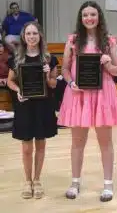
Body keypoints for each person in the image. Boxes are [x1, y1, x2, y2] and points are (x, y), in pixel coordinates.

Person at [57, 1, 117, 201]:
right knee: (77, 143)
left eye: (93, 14)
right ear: (81, 18)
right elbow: (64, 69)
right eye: (85, 14)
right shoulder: (72, 40)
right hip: (78, 95)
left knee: (105, 142)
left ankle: (108, 185)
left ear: (99, 17)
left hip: (103, 94)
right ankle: (75, 182)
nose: (89, 18)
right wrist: (70, 84)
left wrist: (108, 63)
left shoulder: (110, 41)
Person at [6, 21, 58, 199]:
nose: (31, 37)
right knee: (27, 148)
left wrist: (46, 74)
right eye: (28, 33)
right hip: (25, 106)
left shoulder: (49, 59)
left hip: (43, 106)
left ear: (40, 35)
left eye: (34, 33)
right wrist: (18, 90)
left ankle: (37, 180)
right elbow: (10, 81)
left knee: (41, 145)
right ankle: (27, 181)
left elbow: (53, 84)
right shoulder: (16, 59)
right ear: (23, 36)